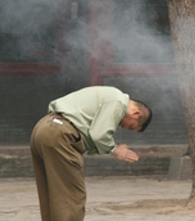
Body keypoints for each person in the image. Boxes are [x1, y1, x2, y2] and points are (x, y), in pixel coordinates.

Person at [30, 86, 152, 221]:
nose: (122, 126)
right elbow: (99, 135)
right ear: (136, 113)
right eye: (129, 126)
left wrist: (110, 148)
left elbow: (91, 134)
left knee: (52, 193)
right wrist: (114, 150)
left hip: (43, 128)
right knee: (71, 196)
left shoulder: (108, 94)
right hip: (60, 134)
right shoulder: (118, 101)